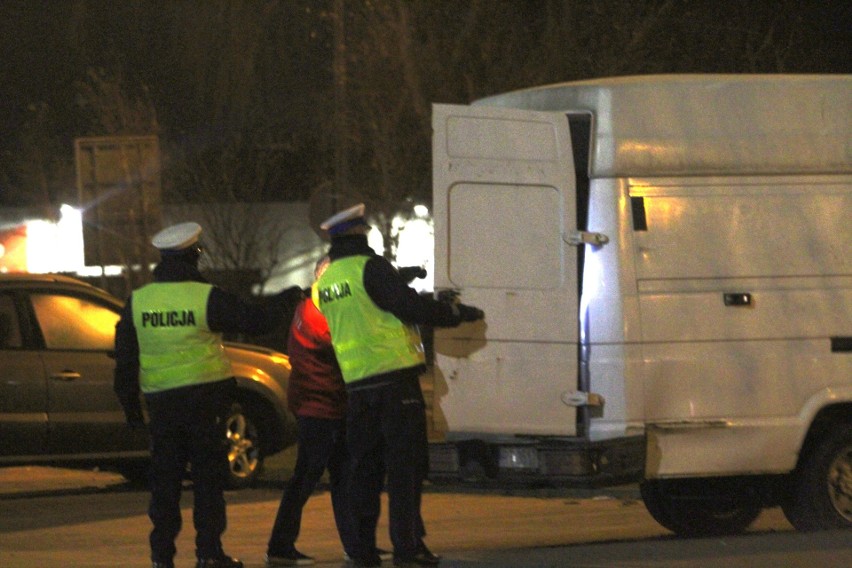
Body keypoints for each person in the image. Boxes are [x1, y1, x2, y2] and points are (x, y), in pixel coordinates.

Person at [114, 222, 304, 568]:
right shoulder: (205, 297)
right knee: (207, 481)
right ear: (194, 255)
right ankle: (209, 553)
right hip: (205, 405)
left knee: (165, 484)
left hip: (163, 407)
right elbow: (255, 320)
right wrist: (288, 298)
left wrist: (131, 411)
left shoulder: (138, 302)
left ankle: (161, 556)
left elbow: (125, 361)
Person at [314, 204, 485, 568]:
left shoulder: (325, 282)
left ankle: (361, 550)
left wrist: (398, 279)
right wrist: (455, 314)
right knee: (405, 471)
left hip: (357, 389)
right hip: (395, 385)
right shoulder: (371, 268)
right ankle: (408, 548)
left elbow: (366, 307)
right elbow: (406, 307)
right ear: (361, 232)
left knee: (365, 472)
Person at [265, 256, 392, 567]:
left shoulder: (305, 308)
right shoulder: (322, 317)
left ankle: (354, 546)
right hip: (321, 407)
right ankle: (282, 546)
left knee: (335, 477)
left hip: (320, 405)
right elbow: (344, 351)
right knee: (312, 477)